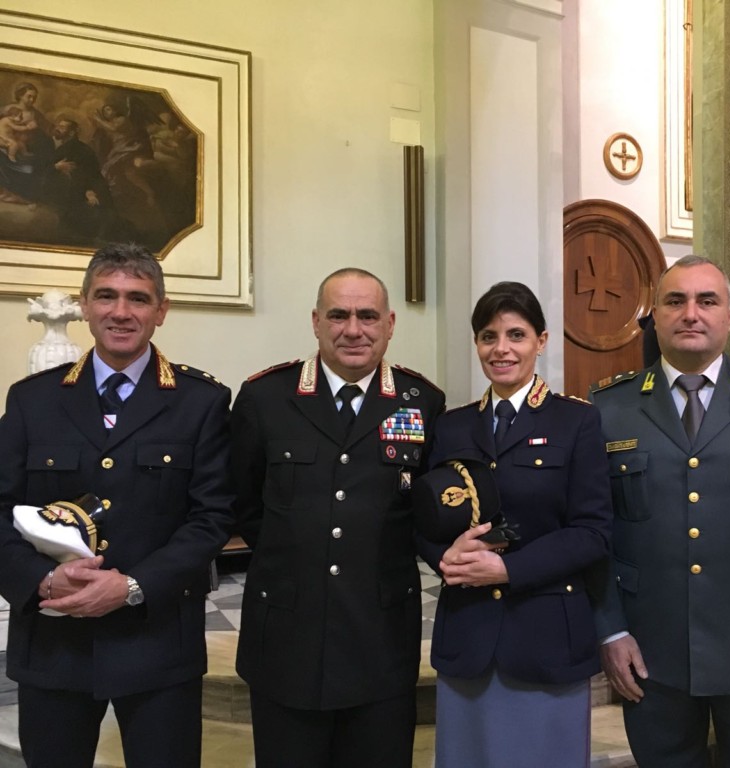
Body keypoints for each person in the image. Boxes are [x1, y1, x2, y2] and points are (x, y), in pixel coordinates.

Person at [0, 242, 234, 768]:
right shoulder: (31, 400)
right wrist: (39, 580)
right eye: (106, 296)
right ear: (85, 304)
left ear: (161, 311)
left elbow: (213, 516)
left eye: (137, 298)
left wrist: (131, 586)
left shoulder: (201, 403)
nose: (121, 312)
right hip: (54, 640)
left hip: (156, 642)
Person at [590, 255, 730, 768]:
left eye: (707, 301)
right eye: (675, 301)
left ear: (729, 315)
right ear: (656, 316)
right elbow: (596, 532)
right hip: (650, 645)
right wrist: (610, 630)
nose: (691, 313)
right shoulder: (607, 407)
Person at [231, 267, 445, 767]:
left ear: (390, 323)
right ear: (315, 321)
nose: (353, 329)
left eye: (368, 316)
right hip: (287, 636)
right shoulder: (266, 397)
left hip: (380, 640)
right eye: (339, 315)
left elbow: (424, 513)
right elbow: (244, 504)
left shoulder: (422, 402)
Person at [415, 281, 611, 767]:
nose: (501, 349)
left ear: (541, 342)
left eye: (516, 335)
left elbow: (594, 531)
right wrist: (444, 557)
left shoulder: (577, 422)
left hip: (546, 634)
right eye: (488, 336)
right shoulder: (453, 425)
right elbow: (422, 518)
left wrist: (508, 571)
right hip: (469, 634)